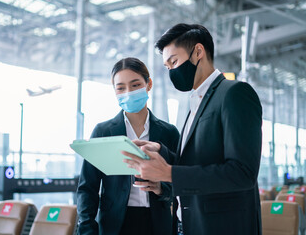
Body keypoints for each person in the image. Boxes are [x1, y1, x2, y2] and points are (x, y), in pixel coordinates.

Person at [123, 24, 263, 235]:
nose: (171, 71)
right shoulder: (196, 102)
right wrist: (160, 150)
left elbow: (242, 173)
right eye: (167, 67)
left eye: (174, 61)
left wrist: (168, 173)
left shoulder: (234, 94)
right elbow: (197, 161)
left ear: (198, 52)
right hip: (190, 224)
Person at [76, 57, 180, 235]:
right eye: (121, 88)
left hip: (158, 224)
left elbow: (181, 181)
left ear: (149, 84)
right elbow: (88, 187)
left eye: (135, 85)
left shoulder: (169, 133)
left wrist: (161, 188)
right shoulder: (103, 131)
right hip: (115, 225)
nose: (128, 92)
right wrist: (86, 230)